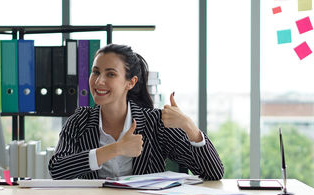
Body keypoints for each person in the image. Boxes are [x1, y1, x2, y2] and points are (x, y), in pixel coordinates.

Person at [48, 44, 224, 180]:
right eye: (95, 72)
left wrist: (189, 126)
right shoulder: (80, 121)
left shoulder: (155, 123)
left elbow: (213, 172)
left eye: (110, 74)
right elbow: (57, 169)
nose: (99, 81)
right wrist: (116, 149)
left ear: (130, 82)